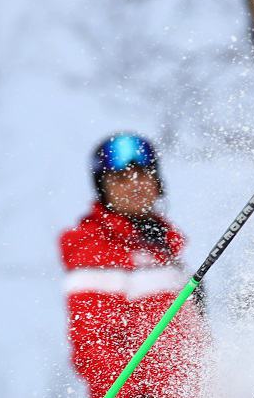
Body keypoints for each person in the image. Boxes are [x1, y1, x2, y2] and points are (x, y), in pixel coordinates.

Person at [60, 133, 205, 398]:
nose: (134, 185)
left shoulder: (162, 248)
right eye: (120, 179)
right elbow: (94, 345)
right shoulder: (95, 248)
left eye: (143, 174)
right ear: (103, 189)